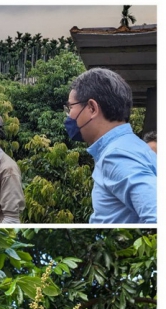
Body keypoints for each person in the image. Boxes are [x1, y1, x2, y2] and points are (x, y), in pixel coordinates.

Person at [65, 68, 157, 223]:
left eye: (70, 107)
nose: (69, 116)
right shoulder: (134, 147)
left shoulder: (117, 155)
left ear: (92, 108)